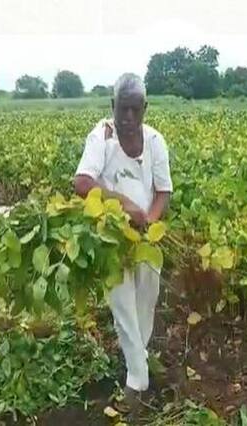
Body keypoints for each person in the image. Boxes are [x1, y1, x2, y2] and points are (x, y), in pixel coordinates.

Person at [73, 73, 172, 413]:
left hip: (145, 238)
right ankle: (137, 381)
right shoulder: (102, 137)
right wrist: (123, 205)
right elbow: (82, 182)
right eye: (122, 109)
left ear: (145, 108)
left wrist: (150, 223)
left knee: (146, 301)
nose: (128, 118)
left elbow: (163, 192)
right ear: (112, 105)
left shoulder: (155, 141)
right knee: (123, 306)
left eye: (135, 110)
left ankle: (136, 360)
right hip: (111, 238)